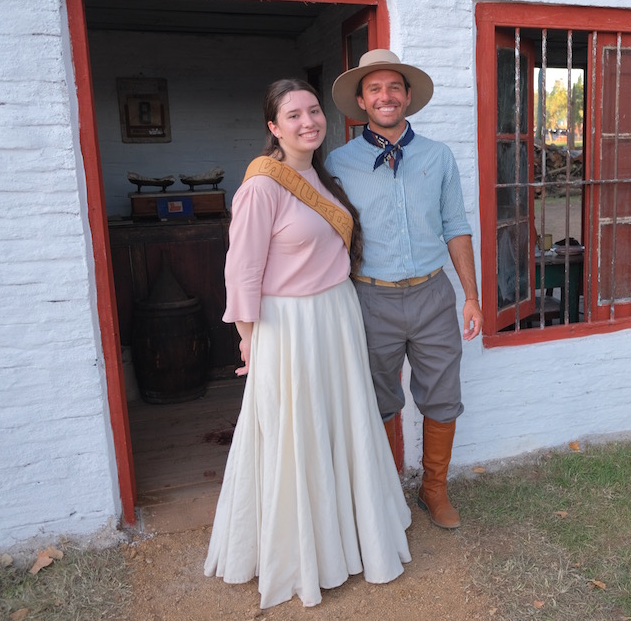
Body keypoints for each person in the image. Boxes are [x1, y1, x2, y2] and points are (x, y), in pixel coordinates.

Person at [204, 79, 411, 609]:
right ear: (273, 127)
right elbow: (242, 270)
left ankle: (352, 535)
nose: (307, 122)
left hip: (335, 316)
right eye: (293, 115)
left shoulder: (320, 175)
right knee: (297, 433)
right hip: (289, 326)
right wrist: (248, 341)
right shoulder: (262, 185)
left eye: (314, 111)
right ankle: (303, 553)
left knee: (338, 425)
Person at [326, 49, 482, 530]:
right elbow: (329, 234)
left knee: (442, 394)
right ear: (361, 101)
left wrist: (471, 296)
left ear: (408, 97)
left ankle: (433, 488)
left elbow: (456, 225)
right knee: (376, 398)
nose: (385, 95)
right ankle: (383, 492)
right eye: (374, 88)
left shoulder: (438, 156)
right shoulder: (338, 161)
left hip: (434, 295)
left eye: (394, 87)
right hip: (371, 298)